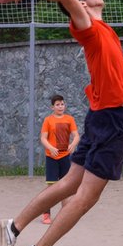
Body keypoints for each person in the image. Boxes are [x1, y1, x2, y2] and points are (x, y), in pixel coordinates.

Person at [0, 0, 123, 246]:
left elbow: (121, 76)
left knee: (71, 183)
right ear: (81, 5)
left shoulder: (107, 31)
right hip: (110, 120)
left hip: (101, 117)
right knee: (85, 198)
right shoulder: (88, 27)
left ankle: (13, 227)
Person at [39, 94, 80, 224]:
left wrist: (73, 145)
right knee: (51, 187)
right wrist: (51, 148)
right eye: (57, 104)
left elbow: (76, 136)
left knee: (66, 186)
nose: (60, 106)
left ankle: (65, 213)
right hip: (52, 158)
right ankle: (46, 214)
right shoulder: (48, 120)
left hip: (65, 157)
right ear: (52, 107)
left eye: (62, 104)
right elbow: (43, 138)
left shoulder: (70, 119)